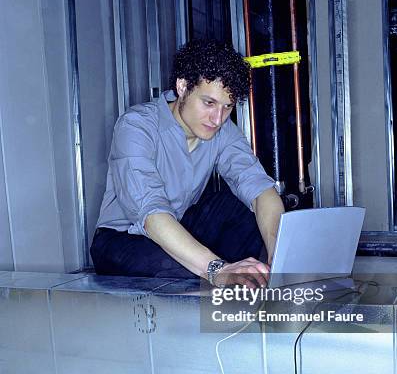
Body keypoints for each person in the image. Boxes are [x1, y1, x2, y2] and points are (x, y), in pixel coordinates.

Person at [90, 39, 285, 287]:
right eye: (209, 103)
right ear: (183, 86)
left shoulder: (222, 129)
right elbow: (151, 213)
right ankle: (218, 279)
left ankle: (247, 282)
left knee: (240, 208)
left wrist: (278, 254)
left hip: (179, 225)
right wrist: (215, 269)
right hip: (122, 239)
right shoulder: (136, 125)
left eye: (227, 107)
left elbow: (259, 189)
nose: (217, 119)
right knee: (183, 273)